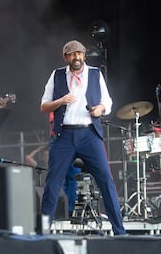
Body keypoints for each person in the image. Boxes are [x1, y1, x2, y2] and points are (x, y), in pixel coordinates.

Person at [40, 40, 126, 235]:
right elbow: (43, 106)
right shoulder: (57, 75)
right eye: (72, 54)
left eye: (79, 54)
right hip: (63, 135)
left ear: (84, 56)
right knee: (53, 184)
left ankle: (120, 232)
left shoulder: (95, 73)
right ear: (66, 57)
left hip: (89, 134)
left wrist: (100, 109)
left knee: (106, 180)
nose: (76, 57)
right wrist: (61, 101)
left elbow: (107, 102)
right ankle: (42, 234)